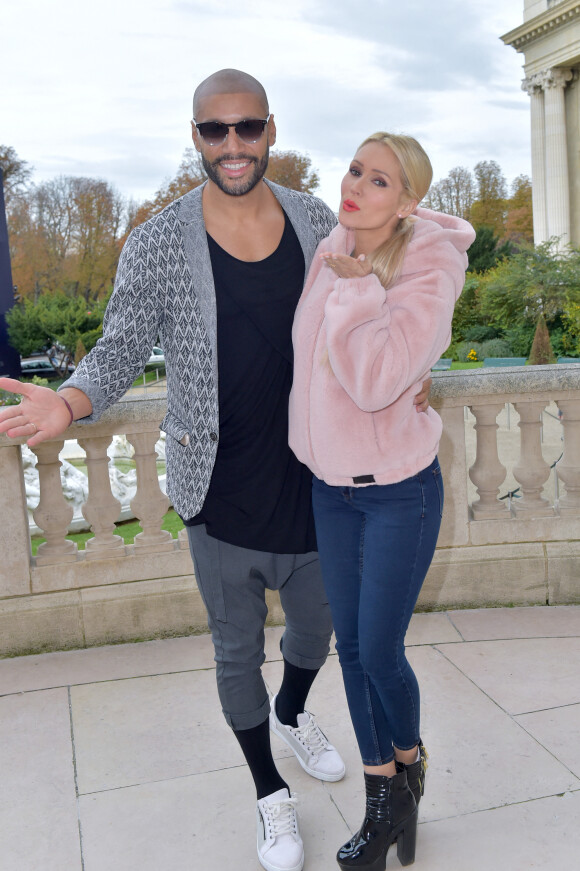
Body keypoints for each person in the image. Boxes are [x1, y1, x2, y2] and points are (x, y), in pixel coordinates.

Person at [0, 73, 430, 871]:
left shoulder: (314, 219)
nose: (232, 145)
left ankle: (296, 711)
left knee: (317, 630)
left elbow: (398, 273)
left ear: (270, 130)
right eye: (214, 131)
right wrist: (71, 398)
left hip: (315, 483)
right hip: (216, 490)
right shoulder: (158, 241)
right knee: (237, 655)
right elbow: (123, 341)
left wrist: (415, 362)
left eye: (247, 127)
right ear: (195, 137)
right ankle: (271, 794)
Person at [289, 132, 475, 869]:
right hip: (330, 488)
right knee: (352, 650)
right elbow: (309, 369)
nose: (358, 185)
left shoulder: (429, 263)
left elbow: (372, 380)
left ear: (409, 202)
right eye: (356, 169)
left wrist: (356, 287)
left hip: (398, 492)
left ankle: (408, 761)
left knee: (380, 652)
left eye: (381, 179)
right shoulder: (330, 244)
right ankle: (384, 796)